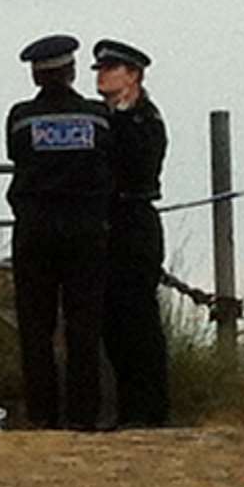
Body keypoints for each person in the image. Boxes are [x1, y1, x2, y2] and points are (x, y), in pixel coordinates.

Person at [5, 35, 113, 430]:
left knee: (36, 326)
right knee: (84, 325)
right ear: (70, 71)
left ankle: (42, 415)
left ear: (36, 75)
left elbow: (17, 156)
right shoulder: (98, 116)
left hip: (35, 229)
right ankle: (84, 415)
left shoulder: (20, 117)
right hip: (86, 230)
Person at [93, 38, 170, 428]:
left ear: (133, 76)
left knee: (139, 320)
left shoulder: (144, 119)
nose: (102, 75)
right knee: (112, 324)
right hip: (102, 222)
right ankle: (127, 409)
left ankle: (151, 410)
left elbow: (138, 166)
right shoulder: (99, 117)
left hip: (134, 220)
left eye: (111, 69)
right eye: (101, 69)